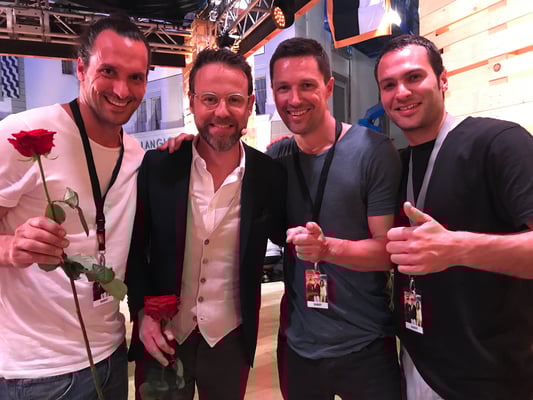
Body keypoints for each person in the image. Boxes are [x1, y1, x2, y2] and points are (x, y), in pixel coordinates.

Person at [375, 34, 533, 400]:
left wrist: (457, 248)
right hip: (416, 363)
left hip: (491, 377)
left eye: (414, 77)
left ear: (443, 80)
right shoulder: (396, 165)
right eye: (389, 85)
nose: (401, 92)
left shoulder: (499, 142)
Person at [0, 15, 149, 399]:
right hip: (37, 374)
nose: (122, 89)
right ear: (81, 69)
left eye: (136, 77)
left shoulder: (135, 155)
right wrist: (10, 247)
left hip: (111, 355)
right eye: (108, 71)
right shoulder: (21, 135)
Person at [125, 48, 286, 400]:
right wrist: (143, 312)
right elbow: (134, 251)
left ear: (250, 104)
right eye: (210, 99)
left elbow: (286, 232)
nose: (222, 111)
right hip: (163, 334)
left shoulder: (269, 175)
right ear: (192, 101)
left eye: (234, 100)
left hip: (230, 337)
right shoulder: (159, 166)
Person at [266, 37, 402, 400]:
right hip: (300, 347)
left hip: (366, 344)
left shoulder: (374, 151)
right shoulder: (276, 160)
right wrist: (187, 148)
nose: (294, 99)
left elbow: (387, 253)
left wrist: (328, 249)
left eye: (306, 85)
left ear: (328, 88)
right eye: (283, 88)